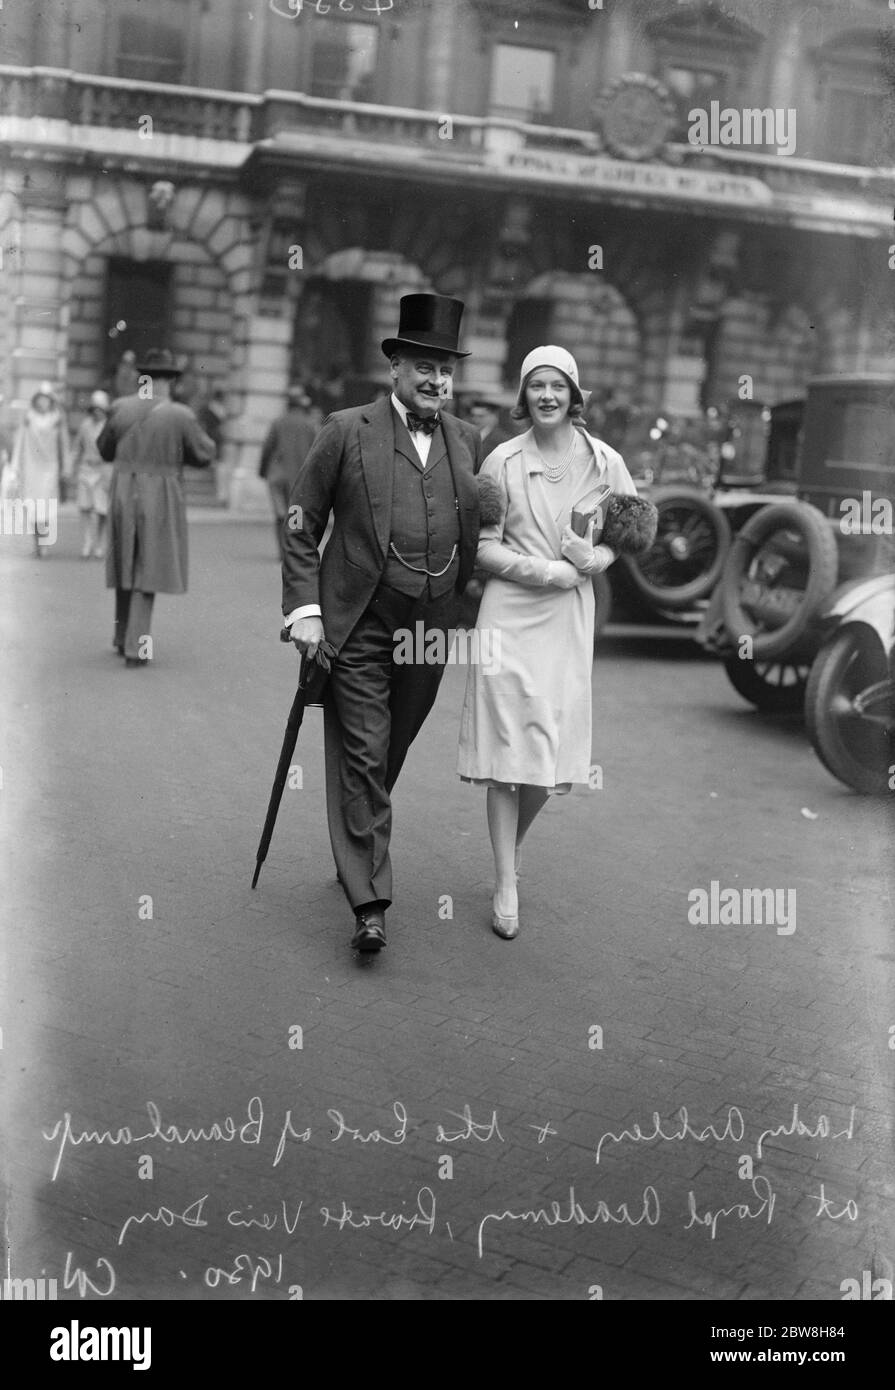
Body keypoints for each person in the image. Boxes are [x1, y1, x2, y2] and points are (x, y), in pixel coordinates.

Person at [282, 293, 482, 955]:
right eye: (423, 364)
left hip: (428, 627)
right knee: (364, 754)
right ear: (395, 368)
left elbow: (478, 530)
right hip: (361, 619)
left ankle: (352, 844)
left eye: (445, 369)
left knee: (387, 754)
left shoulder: (464, 439)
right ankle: (370, 903)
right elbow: (300, 522)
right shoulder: (345, 430)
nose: (434, 379)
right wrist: (306, 611)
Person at [457, 346, 641, 940]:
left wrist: (595, 557)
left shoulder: (605, 461)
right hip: (509, 616)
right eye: (536, 385)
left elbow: (630, 530)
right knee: (506, 754)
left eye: (557, 386)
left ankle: (510, 853)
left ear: (574, 394)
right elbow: (481, 546)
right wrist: (549, 572)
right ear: (522, 394)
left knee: (545, 756)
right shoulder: (502, 461)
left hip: (566, 620)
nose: (546, 396)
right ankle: (506, 881)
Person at [98, 349, 215, 667]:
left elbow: (104, 449)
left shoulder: (120, 407)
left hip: (123, 489)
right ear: (172, 381)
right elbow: (204, 454)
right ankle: (137, 646)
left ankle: (122, 637)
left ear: (141, 378)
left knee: (126, 561)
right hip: (160, 493)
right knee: (146, 569)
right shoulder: (180, 415)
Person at [259, 386, 317, 561]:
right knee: (295, 514)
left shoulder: (278, 422)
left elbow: (268, 448)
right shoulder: (309, 425)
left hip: (277, 474)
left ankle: (281, 552)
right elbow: (316, 452)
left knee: (279, 513)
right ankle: (291, 550)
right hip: (299, 476)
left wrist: (262, 471)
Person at [10, 383, 68, 558]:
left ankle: (44, 544)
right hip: (31, 467)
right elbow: (19, 441)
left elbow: (64, 444)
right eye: (41, 399)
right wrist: (15, 467)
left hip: (49, 467)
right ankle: (37, 543)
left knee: (46, 507)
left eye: (47, 399)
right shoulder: (28, 417)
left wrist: (66, 466)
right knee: (32, 507)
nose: (44, 403)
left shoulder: (57, 418)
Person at [71, 390, 113, 559]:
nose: (97, 411)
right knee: (85, 507)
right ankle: (87, 542)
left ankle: (99, 542)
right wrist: (69, 466)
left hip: (103, 470)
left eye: (101, 408)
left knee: (102, 510)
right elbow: (76, 448)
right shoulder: (85, 425)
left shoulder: (110, 427)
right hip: (86, 469)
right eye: (95, 408)